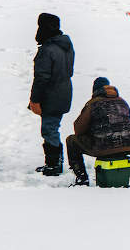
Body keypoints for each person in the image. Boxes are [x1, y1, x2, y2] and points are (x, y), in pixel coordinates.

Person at [65, 77, 130, 187]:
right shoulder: (123, 102)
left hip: (104, 147)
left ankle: (82, 178)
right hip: (129, 145)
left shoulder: (93, 103)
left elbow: (78, 129)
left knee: (71, 141)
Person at [30, 12, 75, 176]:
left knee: (49, 129)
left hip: (51, 95)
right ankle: (56, 162)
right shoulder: (66, 46)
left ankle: (53, 164)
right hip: (64, 93)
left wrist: (35, 99)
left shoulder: (48, 49)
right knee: (52, 127)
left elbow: (41, 78)